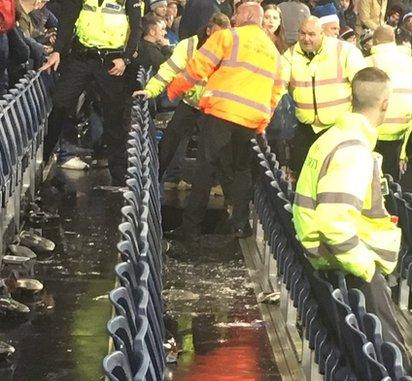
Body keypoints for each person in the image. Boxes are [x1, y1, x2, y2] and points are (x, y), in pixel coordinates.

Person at [293, 66, 408, 368]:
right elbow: (334, 222)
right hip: (350, 264)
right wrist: (367, 268)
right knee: (394, 364)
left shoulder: (332, 138)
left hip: (332, 259)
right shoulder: (353, 150)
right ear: (385, 104)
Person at [166, 2, 285, 239]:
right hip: (250, 120)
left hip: (221, 112)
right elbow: (276, 92)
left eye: (237, 13)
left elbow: (198, 66)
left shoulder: (229, 37)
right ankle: (240, 225)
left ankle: (191, 227)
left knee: (205, 169)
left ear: (248, 15)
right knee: (241, 171)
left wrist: (174, 90)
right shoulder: (274, 52)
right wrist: (262, 123)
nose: (233, 16)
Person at [41, 0, 142, 187]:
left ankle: (120, 179)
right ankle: (42, 162)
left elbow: (137, 28)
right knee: (59, 105)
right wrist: (58, 52)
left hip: (112, 60)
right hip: (82, 56)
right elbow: (67, 20)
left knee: (114, 119)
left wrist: (126, 59)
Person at [134, 12, 231, 181]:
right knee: (171, 140)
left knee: (218, 150)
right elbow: (169, 70)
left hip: (214, 108)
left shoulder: (230, 49)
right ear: (208, 31)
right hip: (191, 102)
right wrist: (150, 90)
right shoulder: (189, 45)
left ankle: (224, 190)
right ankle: (153, 179)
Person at [283, 16, 366, 175]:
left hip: (338, 127)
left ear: (322, 33)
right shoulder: (290, 54)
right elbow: (279, 84)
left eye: (312, 34)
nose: (306, 39)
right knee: (303, 175)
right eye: (302, 34)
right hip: (305, 128)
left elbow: (363, 87)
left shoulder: (345, 51)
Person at [368, 25, 412, 179]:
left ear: (376, 40)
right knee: (393, 182)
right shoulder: (409, 61)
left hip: (375, 131)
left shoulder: (369, 62)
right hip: (403, 133)